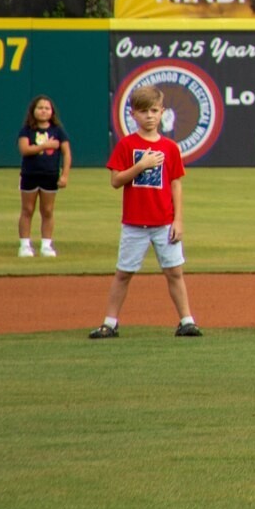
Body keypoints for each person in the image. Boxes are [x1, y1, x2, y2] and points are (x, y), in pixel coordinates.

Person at [89, 86, 199, 338]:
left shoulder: (170, 147)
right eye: (143, 111)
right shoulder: (127, 145)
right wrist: (141, 165)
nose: (149, 116)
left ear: (162, 112)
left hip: (163, 222)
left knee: (174, 271)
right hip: (135, 223)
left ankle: (187, 320)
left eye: (154, 110)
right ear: (133, 114)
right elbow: (116, 181)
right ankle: (110, 322)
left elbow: (175, 183)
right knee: (124, 273)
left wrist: (178, 219)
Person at [17, 96, 70, 258]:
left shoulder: (57, 130)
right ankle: (25, 245)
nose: (43, 111)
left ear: (52, 111)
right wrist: (45, 145)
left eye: (47, 108)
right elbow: (25, 150)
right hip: (30, 175)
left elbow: (66, 153)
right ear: (33, 110)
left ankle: (46, 245)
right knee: (27, 209)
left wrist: (65, 175)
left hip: (50, 175)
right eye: (40, 108)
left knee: (47, 211)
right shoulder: (27, 130)